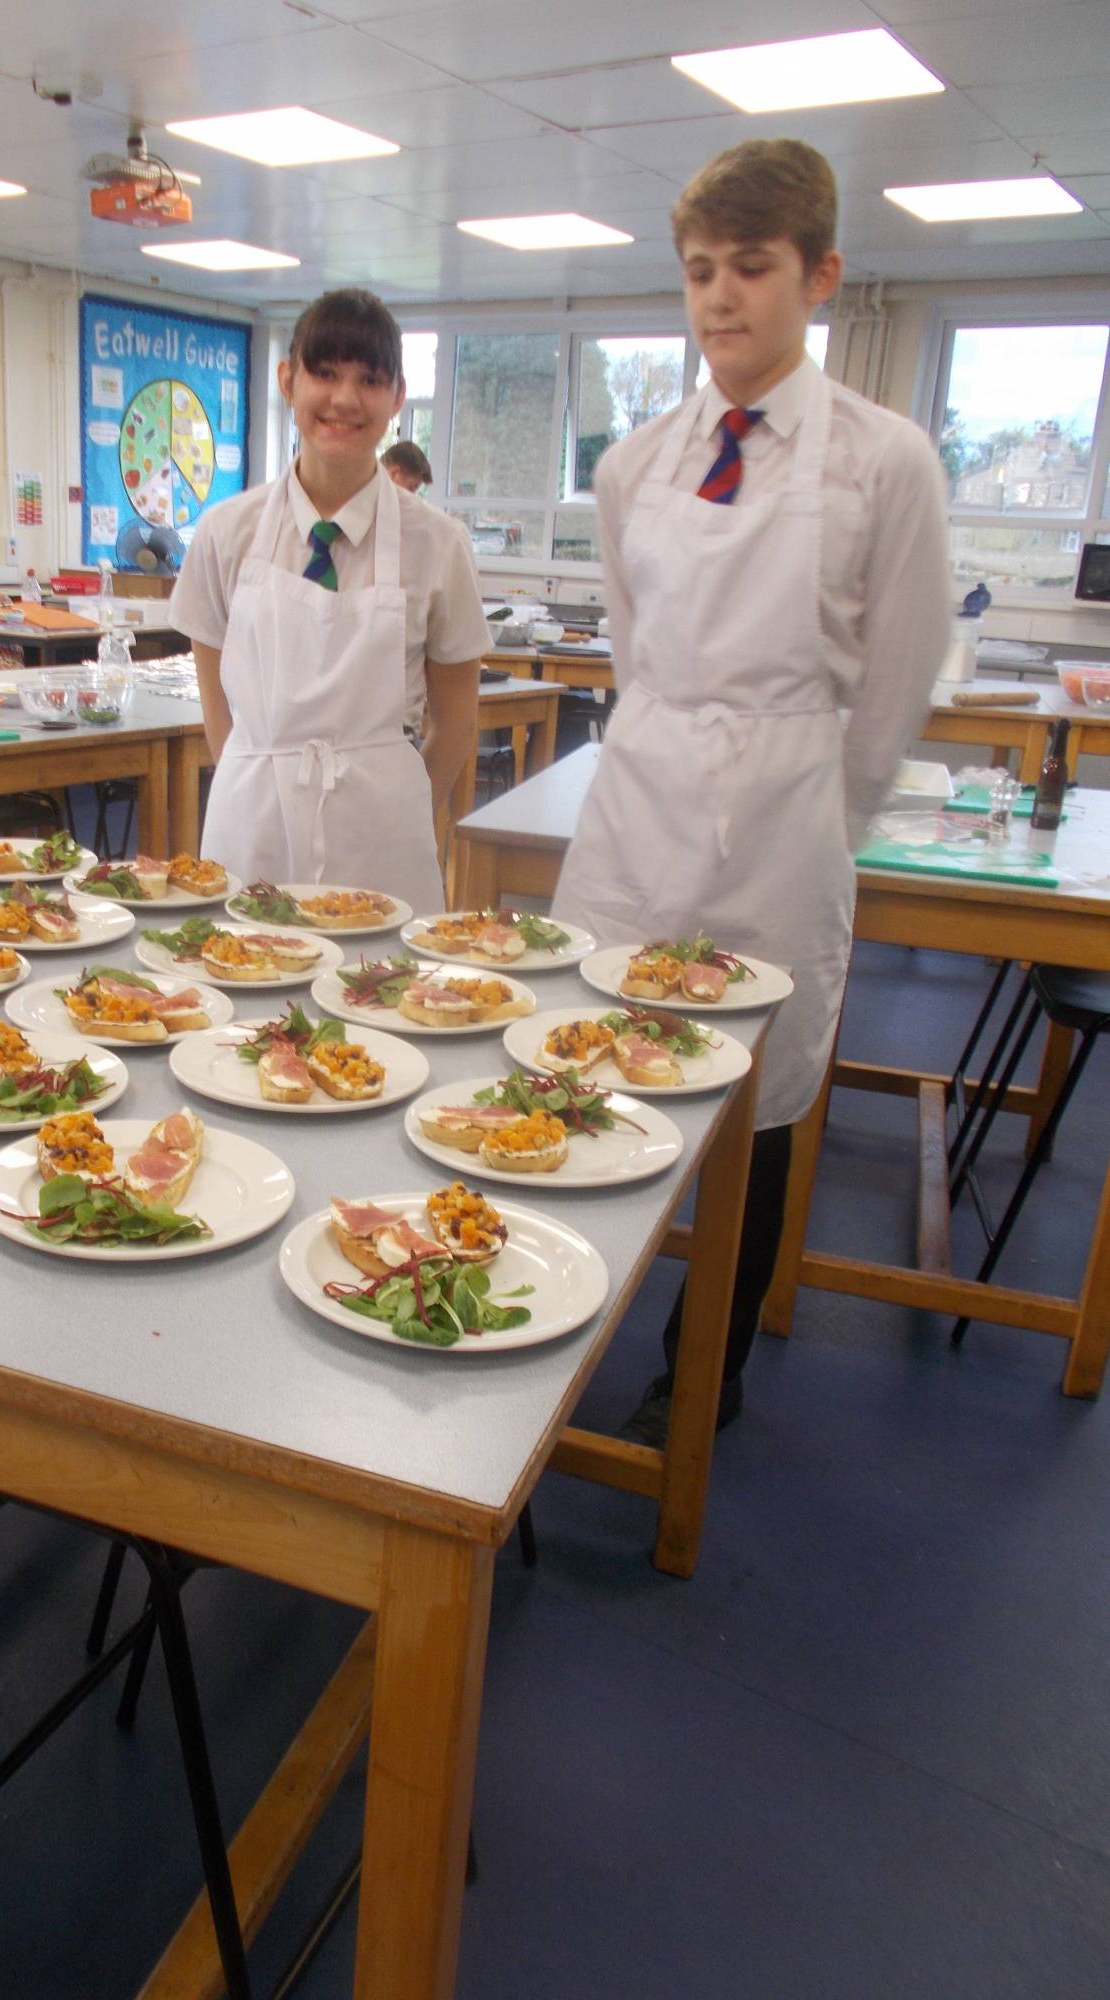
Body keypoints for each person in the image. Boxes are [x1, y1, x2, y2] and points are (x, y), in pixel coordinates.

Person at [551, 139, 951, 1447]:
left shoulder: (884, 463)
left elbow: (896, 680)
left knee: (755, 1108)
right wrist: (680, 749)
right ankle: (552, 1323)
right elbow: (634, 648)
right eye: (699, 270)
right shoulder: (635, 465)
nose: (721, 296)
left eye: (753, 267)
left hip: (786, 815)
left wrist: (817, 816)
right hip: (639, 805)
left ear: (820, 276)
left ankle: (699, 1369)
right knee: (583, 1067)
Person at [170, 290, 486, 912]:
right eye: (325, 373)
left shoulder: (437, 544)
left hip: (382, 832)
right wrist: (257, 780)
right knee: (245, 965)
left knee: (384, 973)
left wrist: (402, 806)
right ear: (288, 381)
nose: (345, 399)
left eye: (369, 379)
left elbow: (454, 722)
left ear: (397, 397)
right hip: (252, 825)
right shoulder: (226, 533)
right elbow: (216, 702)